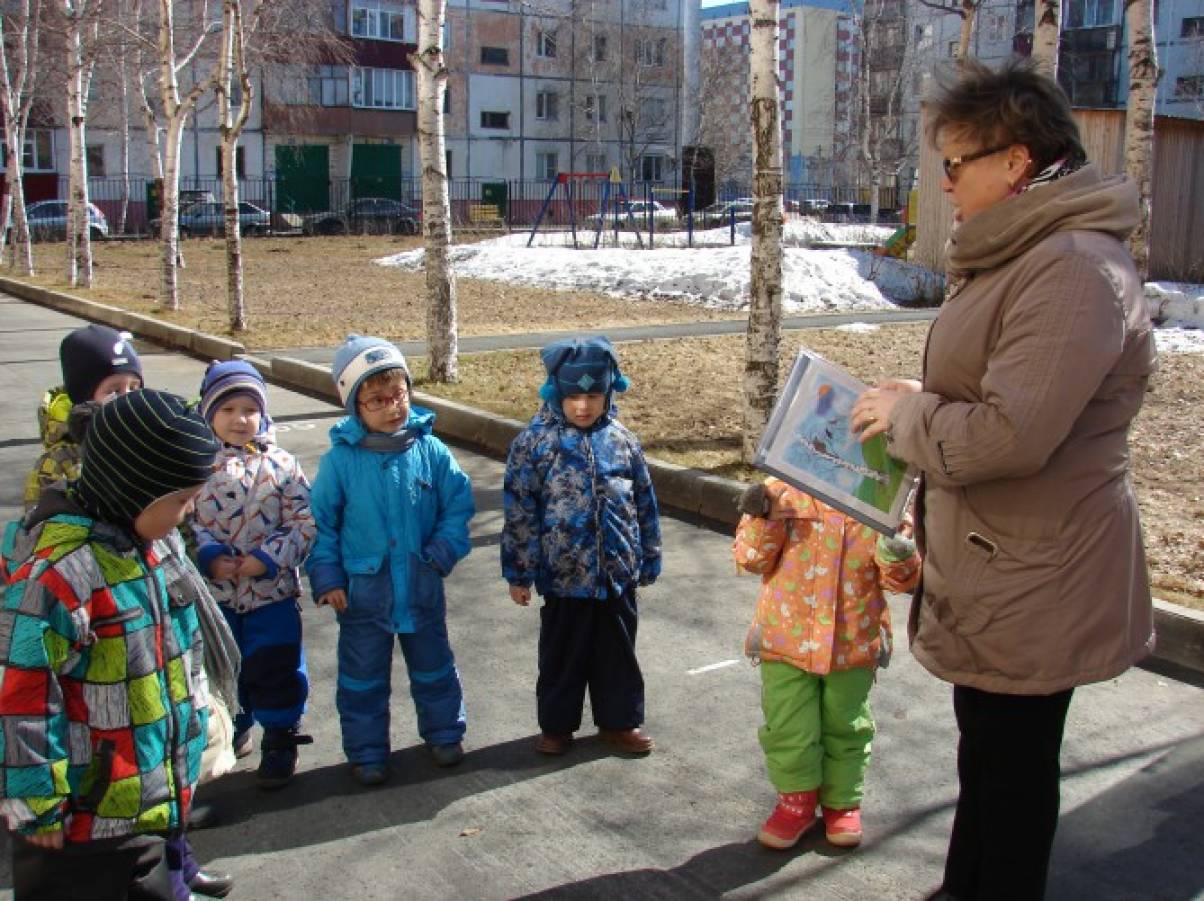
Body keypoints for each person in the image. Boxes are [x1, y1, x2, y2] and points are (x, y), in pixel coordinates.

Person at [850, 57, 1156, 901]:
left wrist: (913, 420)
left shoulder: (1069, 270)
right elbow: (998, 390)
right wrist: (920, 396)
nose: (944, 182)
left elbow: (1013, 432)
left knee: (1014, 773)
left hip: (1039, 568)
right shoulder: (1030, 254)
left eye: (955, 164)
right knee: (987, 753)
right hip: (1007, 557)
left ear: (1016, 161)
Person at [0, 390, 222, 900]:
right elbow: (22, 698)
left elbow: (180, 645)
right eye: (180, 500)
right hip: (82, 827)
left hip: (142, 802)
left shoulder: (154, 545)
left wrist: (198, 719)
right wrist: (36, 801)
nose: (187, 513)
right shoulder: (60, 576)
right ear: (134, 489)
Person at [307, 335, 475, 786]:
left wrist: (442, 550)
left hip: (421, 585)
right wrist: (327, 576)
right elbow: (320, 524)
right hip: (363, 594)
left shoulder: (431, 450)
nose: (391, 407)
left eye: (398, 395)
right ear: (355, 406)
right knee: (362, 677)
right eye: (377, 399)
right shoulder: (341, 462)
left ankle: (444, 733)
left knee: (434, 665)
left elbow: (457, 505)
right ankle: (366, 752)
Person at [733, 479, 920, 851]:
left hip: (852, 640)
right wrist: (763, 515)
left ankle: (842, 802)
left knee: (847, 725)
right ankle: (795, 801)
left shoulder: (886, 495)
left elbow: (901, 580)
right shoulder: (783, 487)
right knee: (788, 726)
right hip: (786, 638)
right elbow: (750, 558)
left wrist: (897, 545)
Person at [501, 336, 662, 757]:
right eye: (573, 396)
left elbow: (644, 500)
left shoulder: (623, 441)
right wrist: (519, 572)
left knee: (618, 654)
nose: (583, 407)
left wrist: (648, 555)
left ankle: (620, 721)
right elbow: (520, 511)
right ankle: (557, 726)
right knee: (562, 656)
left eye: (593, 395)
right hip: (563, 575)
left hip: (615, 573)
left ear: (609, 391)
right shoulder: (534, 444)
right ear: (557, 393)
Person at [191, 360, 316, 789]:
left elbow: (303, 520)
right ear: (208, 413)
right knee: (224, 665)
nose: (240, 419)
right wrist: (207, 554)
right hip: (216, 597)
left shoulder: (281, 465)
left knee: (276, 664)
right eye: (227, 410)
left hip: (272, 593)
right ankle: (233, 723)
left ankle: (280, 736)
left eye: (249, 409)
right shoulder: (195, 466)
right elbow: (184, 523)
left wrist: (269, 557)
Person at [24, 324, 142, 511]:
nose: (126, 397)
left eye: (134, 388)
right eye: (113, 391)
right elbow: (37, 526)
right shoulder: (59, 462)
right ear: (83, 398)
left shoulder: (147, 445)